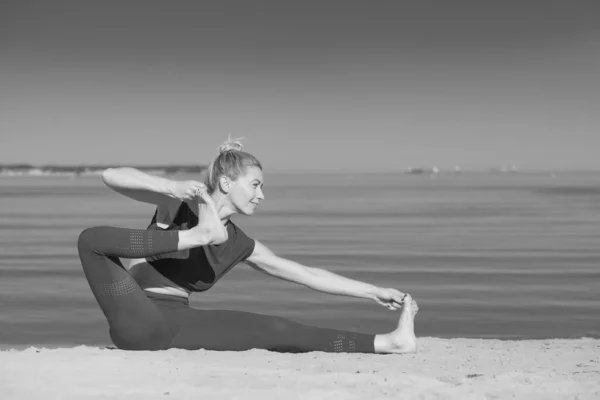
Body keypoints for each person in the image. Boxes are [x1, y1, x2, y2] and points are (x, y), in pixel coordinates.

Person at [77, 138, 418, 353]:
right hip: (136, 317)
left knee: (278, 329)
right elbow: (111, 175)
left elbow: (305, 274)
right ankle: (195, 236)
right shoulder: (180, 205)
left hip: (176, 325)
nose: (261, 195)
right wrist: (171, 186)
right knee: (91, 241)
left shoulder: (239, 243)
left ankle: (389, 343)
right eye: (255, 185)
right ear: (226, 183)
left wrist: (373, 291)